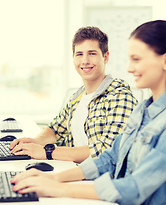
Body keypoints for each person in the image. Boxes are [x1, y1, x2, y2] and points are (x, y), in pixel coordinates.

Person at [11, 20, 166, 205]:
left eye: (136, 59)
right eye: (79, 54)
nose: (129, 68)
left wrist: (60, 187)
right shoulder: (142, 110)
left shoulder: (124, 97)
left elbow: (135, 187)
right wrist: (54, 178)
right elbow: (109, 158)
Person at [10, 26, 137, 163]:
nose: (85, 61)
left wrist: (47, 152)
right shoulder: (78, 97)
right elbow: (55, 129)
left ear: (105, 57)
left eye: (92, 53)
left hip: (100, 179)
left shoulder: (120, 96)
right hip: (75, 171)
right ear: (73, 58)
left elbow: (106, 150)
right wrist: (34, 141)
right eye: (79, 54)